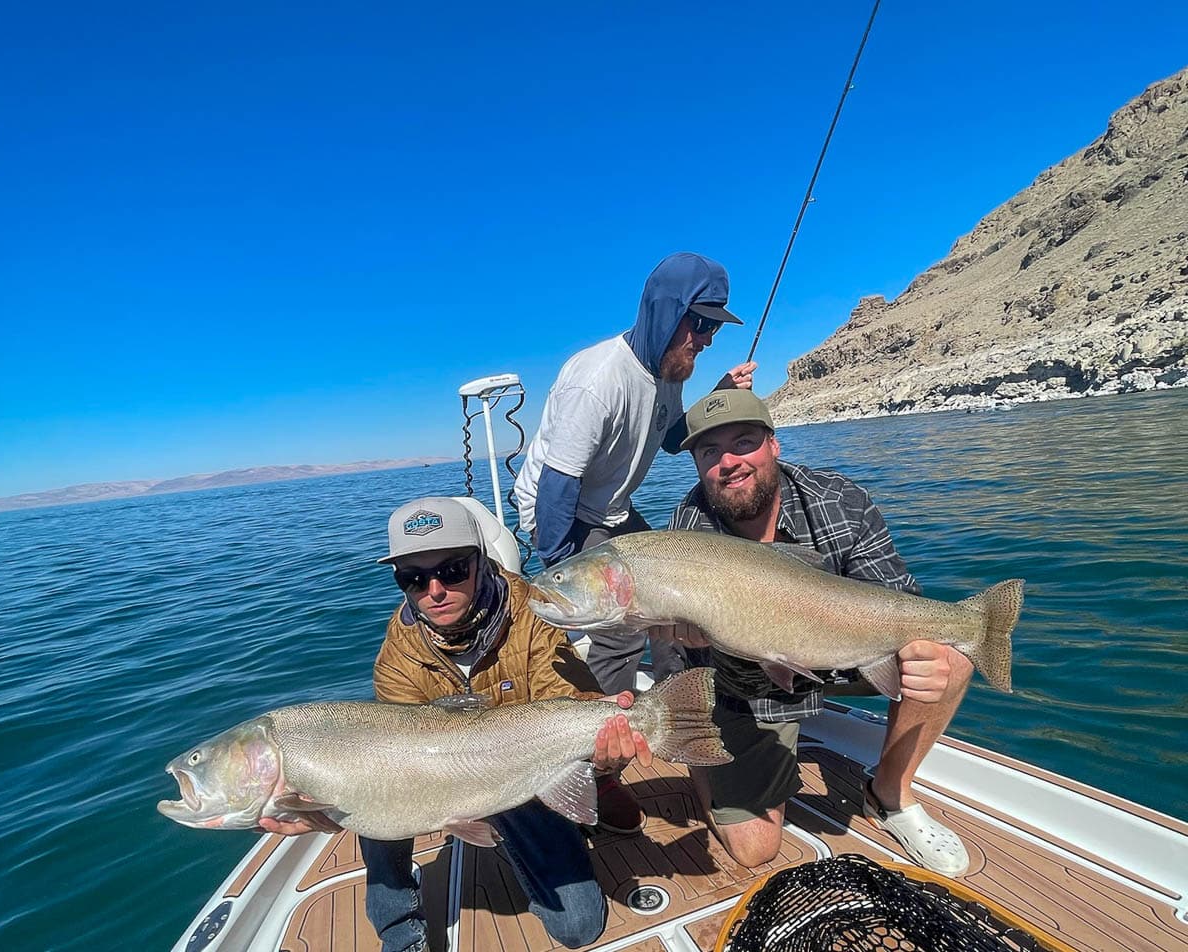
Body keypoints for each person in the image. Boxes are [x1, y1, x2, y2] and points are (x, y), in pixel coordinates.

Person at [261, 496, 652, 952]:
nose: (434, 591)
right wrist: (328, 807)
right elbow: (400, 765)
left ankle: (584, 797)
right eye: (412, 578)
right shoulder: (398, 656)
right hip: (442, 774)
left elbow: (569, 705)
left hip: (522, 766)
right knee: (368, 785)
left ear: (480, 563)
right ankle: (401, 932)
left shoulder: (535, 614)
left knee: (578, 925)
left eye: (450, 571)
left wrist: (601, 758)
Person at [660, 389, 974, 877]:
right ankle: (700, 755)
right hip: (747, 685)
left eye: (743, 443)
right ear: (697, 464)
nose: (729, 462)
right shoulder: (689, 531)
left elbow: (896, 599)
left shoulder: (839, 500)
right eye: (709, 452)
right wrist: (694, 638)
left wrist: (920, 655)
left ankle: (889, 793)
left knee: (949, 657)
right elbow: (696, 654)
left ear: (773, 444)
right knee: (754, 849)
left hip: (844, 648)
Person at [514, 251, 757, 694]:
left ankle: (678, 703)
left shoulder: (671, 370)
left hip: (611, 510)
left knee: (679, 600)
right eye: (700, 323)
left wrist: (718, 394)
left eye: (715, 327)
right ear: (666, 311)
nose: (707, 339)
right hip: (560, 513)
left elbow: (669, 439)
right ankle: (598, 735)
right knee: (621, 621)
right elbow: (556, 486)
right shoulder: (598, 380)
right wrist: (570, 575)